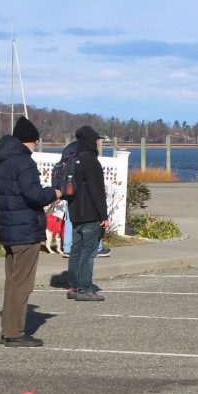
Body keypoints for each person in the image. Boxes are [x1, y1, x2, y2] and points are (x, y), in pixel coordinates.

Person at [0, 116, 59, 347]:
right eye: (35, 141)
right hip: (25, 230)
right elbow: (34, 195)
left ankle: (8, 329)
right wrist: (54, 193)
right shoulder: (23, 162)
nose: (35, 146)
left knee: (12, 282)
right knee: (22, 284)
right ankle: (14, 333)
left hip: (9, 228)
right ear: (29, 140)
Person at [66, 125, 109, 302]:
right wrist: (104, 215)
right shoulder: (91, 161)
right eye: (96, 140)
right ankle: (85, 289)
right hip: (90, 214)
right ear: (91, 141)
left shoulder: (73, 159)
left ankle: (73, 287)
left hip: (75, 213)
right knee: (88, 253)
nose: (98, 143)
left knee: (75, 251)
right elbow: (97, 191)